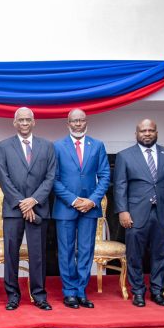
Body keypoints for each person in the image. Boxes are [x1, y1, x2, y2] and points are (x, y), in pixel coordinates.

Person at [114, 119, 164, 307]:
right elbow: (120, 187)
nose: (147, 133)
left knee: (160, 255)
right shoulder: (125, 156)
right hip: (135, 215)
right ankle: (138, 292)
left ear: (156, 133)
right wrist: (123, 211)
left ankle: (157, 292)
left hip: (163, 213)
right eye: (143, 131)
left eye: (150, 130)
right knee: (134, 256)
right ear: (136, 134)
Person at [0, 107, 56, 310]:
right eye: (20, 120)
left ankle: (39, 295)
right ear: (14, 123)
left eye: (27, 120)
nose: (24, 123)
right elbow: (3, 177)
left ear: (33, 122)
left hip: (39, 208)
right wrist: (22, 203)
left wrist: (34, 200)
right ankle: (12, 296)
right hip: (13, 209)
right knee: (11, 253)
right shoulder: (3, 146)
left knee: (38, 254)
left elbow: (50, 177)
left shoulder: (47, 146)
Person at [53, 108, 110, 309]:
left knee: (86, 250)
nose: (78, 124)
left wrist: (92, 201)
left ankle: (81, 291)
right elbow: (54, 179)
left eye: (81, 120)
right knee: (66, 251)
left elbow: (105, 176)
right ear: (68, 124)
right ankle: (69, 292)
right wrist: (74, 200)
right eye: (74, 121)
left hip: (90, 208)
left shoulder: (98, 145)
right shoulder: (57, 146)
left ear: (86, 122)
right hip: (65, 207)